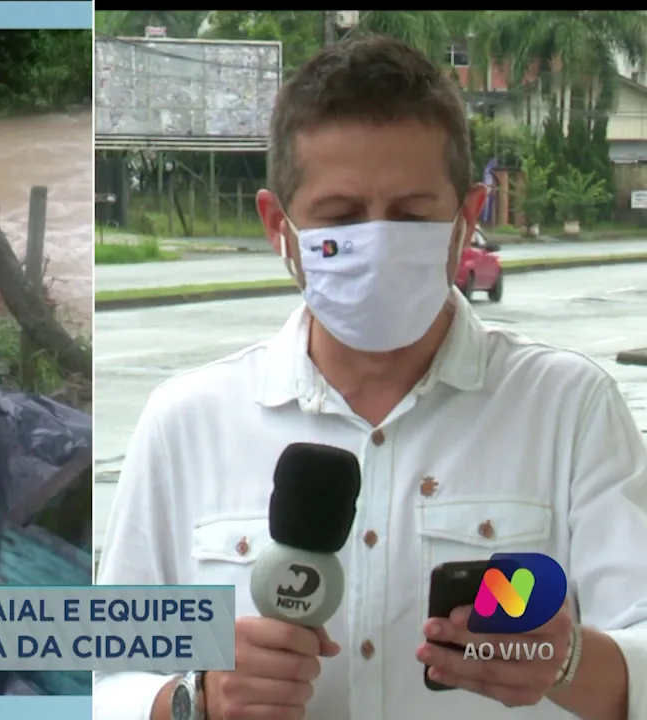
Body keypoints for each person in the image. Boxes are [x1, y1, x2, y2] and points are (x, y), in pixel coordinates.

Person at [93, 35, 647, 720]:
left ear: (468, 218)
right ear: (278, 226)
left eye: (412, 216)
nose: (378, 242)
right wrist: (190, 699)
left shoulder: (569, 409)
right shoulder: (187, 422)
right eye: (342, 218)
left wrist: (565, 662)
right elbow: (104, 678)